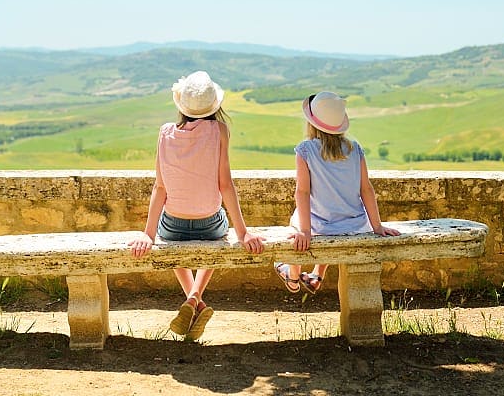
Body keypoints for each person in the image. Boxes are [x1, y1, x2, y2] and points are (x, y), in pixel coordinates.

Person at [128, 70, 265, 340]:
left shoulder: (165, 132)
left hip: (172, 225)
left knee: (172, 240)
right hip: (209, 224)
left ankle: (193, 301)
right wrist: (243, 233)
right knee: (219, 232)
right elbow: (225, 185)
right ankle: (194, 300)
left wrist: (148, 233)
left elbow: (160, 187)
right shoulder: (220, 131)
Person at [275, 91, 400, 294]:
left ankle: (293, 275)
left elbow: (303, 192)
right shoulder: (355, 148)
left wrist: (305, 231)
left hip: (322, 226)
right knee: (332, 207)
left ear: (311, 123)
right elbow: (366, 188)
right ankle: (317, 275)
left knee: (298, 219)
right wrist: (376, 226)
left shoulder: (306, 150)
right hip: (355, 224)